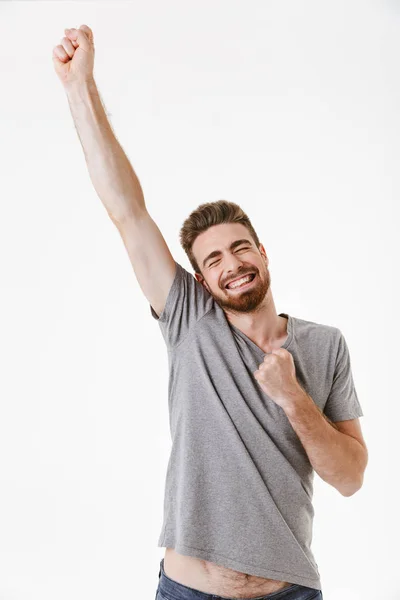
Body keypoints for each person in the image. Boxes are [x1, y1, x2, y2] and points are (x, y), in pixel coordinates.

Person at [52, 25, 368, 600]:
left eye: (241, 247)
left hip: (290, 592)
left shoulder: (326, 345)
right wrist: (80, 88)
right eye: (215, 259)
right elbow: (126, 209)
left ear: (263, 251)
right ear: (202, 280)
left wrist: (294, 397)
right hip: (188, 591)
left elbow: (349, 478)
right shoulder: (189, 320)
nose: (233, 264)